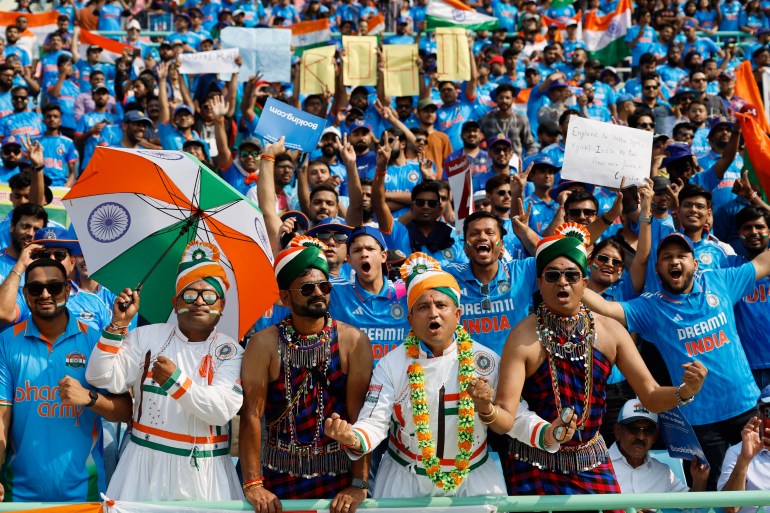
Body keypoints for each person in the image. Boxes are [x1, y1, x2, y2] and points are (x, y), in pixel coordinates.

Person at [323, 252, 576, 498]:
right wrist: (353, 437)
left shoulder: (484, 361)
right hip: (405, 482)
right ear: (410, 319)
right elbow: (374, 422)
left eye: (441, 305)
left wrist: (547, 433)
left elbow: (514, 415)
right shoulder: (392, 364)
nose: (433, 313)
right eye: (423, 306)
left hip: (474, 482)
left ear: (457, 315)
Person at [488, 224, 707, 497]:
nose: (563, 282)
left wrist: (685, 391)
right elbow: (505, 414)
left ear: (585, 281)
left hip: (589, 459)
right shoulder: (522, 337)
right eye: (553, 275)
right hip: (533, 461)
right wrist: (486, 407)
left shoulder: (611, 331)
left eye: (571, 275)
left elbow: (650, 395)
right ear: (540, 283)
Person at [583, 232, 770, 489]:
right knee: (713, 494)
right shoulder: (651, 308)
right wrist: (570, 273)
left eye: (682, 255)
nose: (675, 261)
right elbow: (604, 308)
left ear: (695, 263)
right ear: (658, 268)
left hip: (746, 408)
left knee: (760, 484)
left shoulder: (720, 280)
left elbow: (764, 262)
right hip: (700, 423)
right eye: (667, 257)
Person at [85, 241, 244, 500]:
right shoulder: (146, 337)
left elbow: (221, 409)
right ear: (175, 301)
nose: (200, 302)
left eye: (210, 296)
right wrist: (118, 325)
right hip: (143, 466)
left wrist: (175, 381)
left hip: (206, 474)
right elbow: (101, 377)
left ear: (221, 306)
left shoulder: (231, 351)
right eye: (190, 295)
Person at [240, 236, 372, 513]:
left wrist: (359, 483)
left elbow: (361, 416)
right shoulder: (263, 344)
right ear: (285, 297)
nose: (318, 293)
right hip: (277, 476)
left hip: (338, 476)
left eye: (323, 286)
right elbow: (252, 414)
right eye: (307, 288)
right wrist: (254, 484)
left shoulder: (353, 341)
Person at [0, 257, 132, 501]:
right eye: (36, 288)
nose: (45, 294)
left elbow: (126, 410)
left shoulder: (95, 342)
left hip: (86, 492)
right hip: (17, 494)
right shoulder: (6, 342)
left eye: (55, 287)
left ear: (69, 290)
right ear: (26, 294)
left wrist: (90, 398)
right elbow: (1, 418)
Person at [610, 398, 709, 493]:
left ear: (655, 436)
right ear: (618, 431)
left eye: (648, 430)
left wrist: (699, 481)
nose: (641, 437)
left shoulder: (662, 472)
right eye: (634, 429)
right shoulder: (598, 466)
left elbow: (691, 507)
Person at [717, 385, 770, 513]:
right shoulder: (738, 452)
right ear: (759, 415)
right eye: (768, 411)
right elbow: (730, 508)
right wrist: (744, 460)